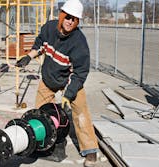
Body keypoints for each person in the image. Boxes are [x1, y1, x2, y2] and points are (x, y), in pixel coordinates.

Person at [16, 0, 99, 166]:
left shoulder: (78, 43)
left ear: (77, 22)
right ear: (61, 15)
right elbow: (40, 44)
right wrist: (28, 56)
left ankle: (90, 151)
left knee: (80, 113)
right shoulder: (49, 28)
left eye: (74, 19)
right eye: (67, 17)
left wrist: (69, 94)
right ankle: (43, 144)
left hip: (69, 80)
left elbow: (80, 73)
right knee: (41, 113)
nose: (69, 21)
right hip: (49, 78)